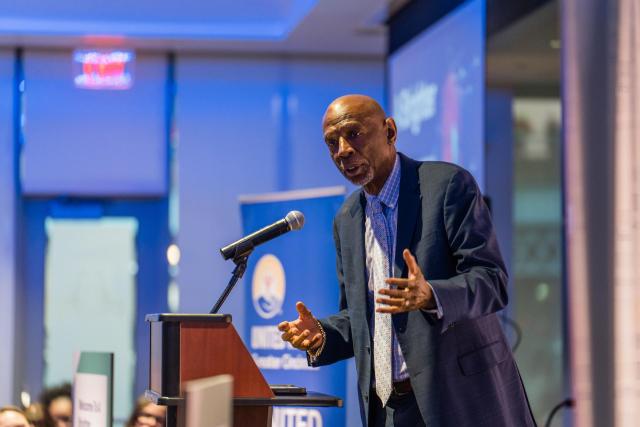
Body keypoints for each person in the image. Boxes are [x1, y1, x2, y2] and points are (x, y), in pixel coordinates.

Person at [278, 94, 536, 426]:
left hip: (460, 400)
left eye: (353, 133)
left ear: (390, 131)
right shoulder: (347, 219)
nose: (342, 150)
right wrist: (322, 335)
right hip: (388, 410)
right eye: (331, 142)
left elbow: (491, 280)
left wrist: (433, 295)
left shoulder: (447, 187)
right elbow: (362, 317)